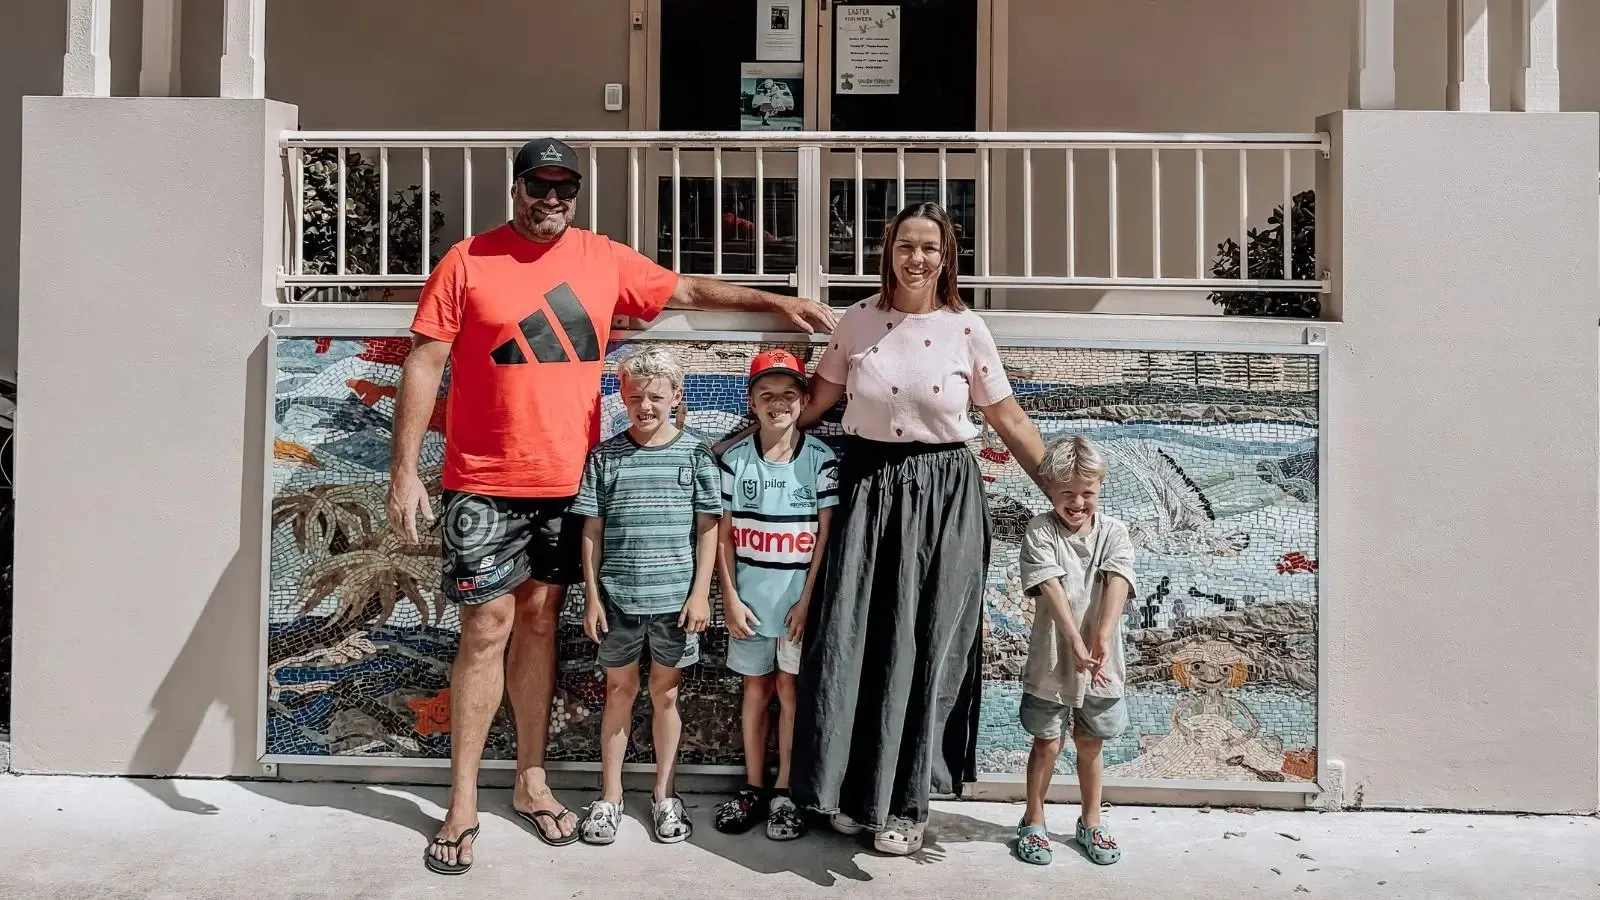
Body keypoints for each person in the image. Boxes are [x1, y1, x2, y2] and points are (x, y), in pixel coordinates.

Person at [389, 137, 834, 875]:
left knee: (537, 624)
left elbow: (687, 291)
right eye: (540, 185)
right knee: (485, 628)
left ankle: (531, 780)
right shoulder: (467, 261)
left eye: (565, 188)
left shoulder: (601, 258)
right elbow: (425, 360)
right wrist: (404, 470)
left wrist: (775, 301)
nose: (552, 199)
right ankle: (462, 801)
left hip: (570, 481)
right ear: (516, 188)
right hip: (483, 477)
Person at [789, 202, 1047, 855]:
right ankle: (852, 795)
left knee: (929, 643)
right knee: (857, 638)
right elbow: (815, 404)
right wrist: (745, 444)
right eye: (907, 244)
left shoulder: (967, 329)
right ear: (889, 249)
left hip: (944, 498)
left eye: (930, 247)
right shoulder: (859, 321)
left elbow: (1009, 419)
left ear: (946, 255)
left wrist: (1063, 490)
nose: (917, 258)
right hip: (868, 489)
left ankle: (909, 805)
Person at [573, 346, 722, 846]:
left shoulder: (697, 454)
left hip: (675, 604)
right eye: (636, 397)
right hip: (618, 600)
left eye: (657, 397)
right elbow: (591, 530)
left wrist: (701, 594)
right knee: (619, 691)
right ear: (622, 396)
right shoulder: (605, 457)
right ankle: (610, 796)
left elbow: (708, 529)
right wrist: (592, 597)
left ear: (677, 397)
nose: (646, 407)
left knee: (667, 693)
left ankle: (665, 794)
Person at [711, 349, 839, 841]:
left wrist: (807, 602)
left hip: (795, 611)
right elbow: (722, 535)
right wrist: (729, 596)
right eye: (767, 394)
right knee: (755, 690)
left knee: (790, 692)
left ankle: (785, 790)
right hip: (750, 605)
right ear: (752, 402)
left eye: (789, 394)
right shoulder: (734, 461)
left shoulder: (820, 461)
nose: (778, 403)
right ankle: (752, 786)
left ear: (805, 400)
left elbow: (824, 538)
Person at [1014, 435, 1137, 867]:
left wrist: (1101, 637)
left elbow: (1118, 579)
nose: (1078, 502)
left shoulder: (1115, 532)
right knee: (1046, 741)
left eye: (1088, 492)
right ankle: (1033, 818)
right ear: (1050, 490)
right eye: (1068, 493)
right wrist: (1076, 641)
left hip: (1102, 662)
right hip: (1053, 655)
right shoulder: (1039, 530)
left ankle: (1091, 819)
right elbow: (1052, 588)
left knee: (1090, 741)